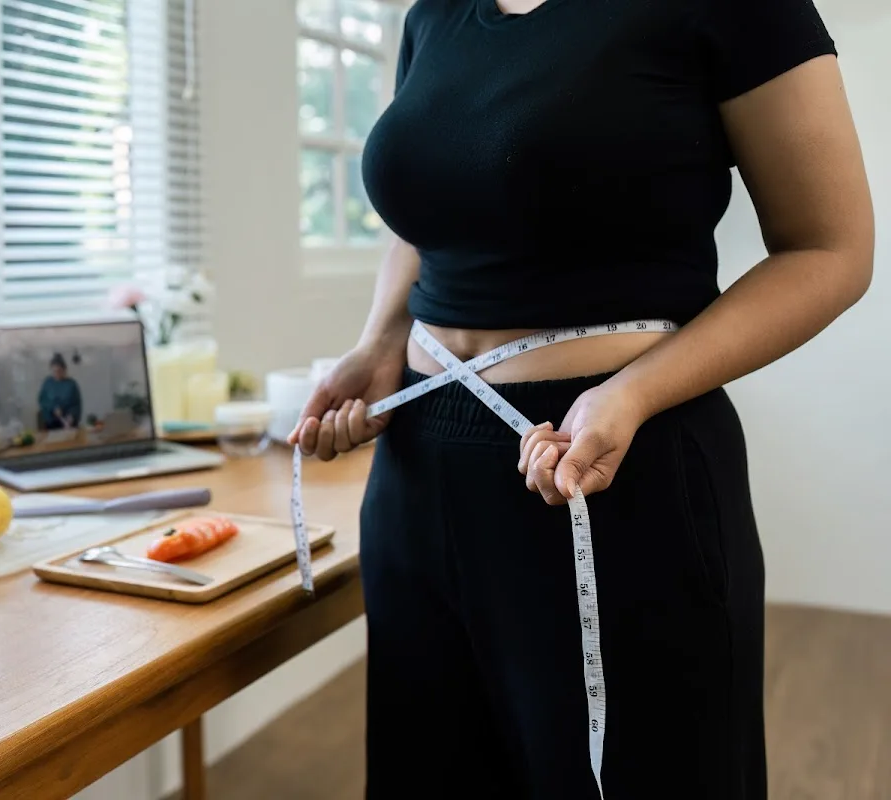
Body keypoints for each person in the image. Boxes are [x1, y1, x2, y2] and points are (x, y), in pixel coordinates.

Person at [289, 0, 874, 797]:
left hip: (613, 464)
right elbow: (424, 216)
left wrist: (631, 394)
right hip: (418, 463)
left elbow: (830, 248)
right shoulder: (435, 15)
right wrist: (379, 343)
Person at [37, 353, 82, 430]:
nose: (57, 373)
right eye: (54, 371)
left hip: (68, 424)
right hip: (51, 423)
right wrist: (53, 408)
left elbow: (76, 404)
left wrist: (71, 417)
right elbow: (42, 400)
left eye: (59, 371)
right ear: (51, 369)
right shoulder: (47, 383)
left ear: (64, 370)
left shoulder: (71, 384)